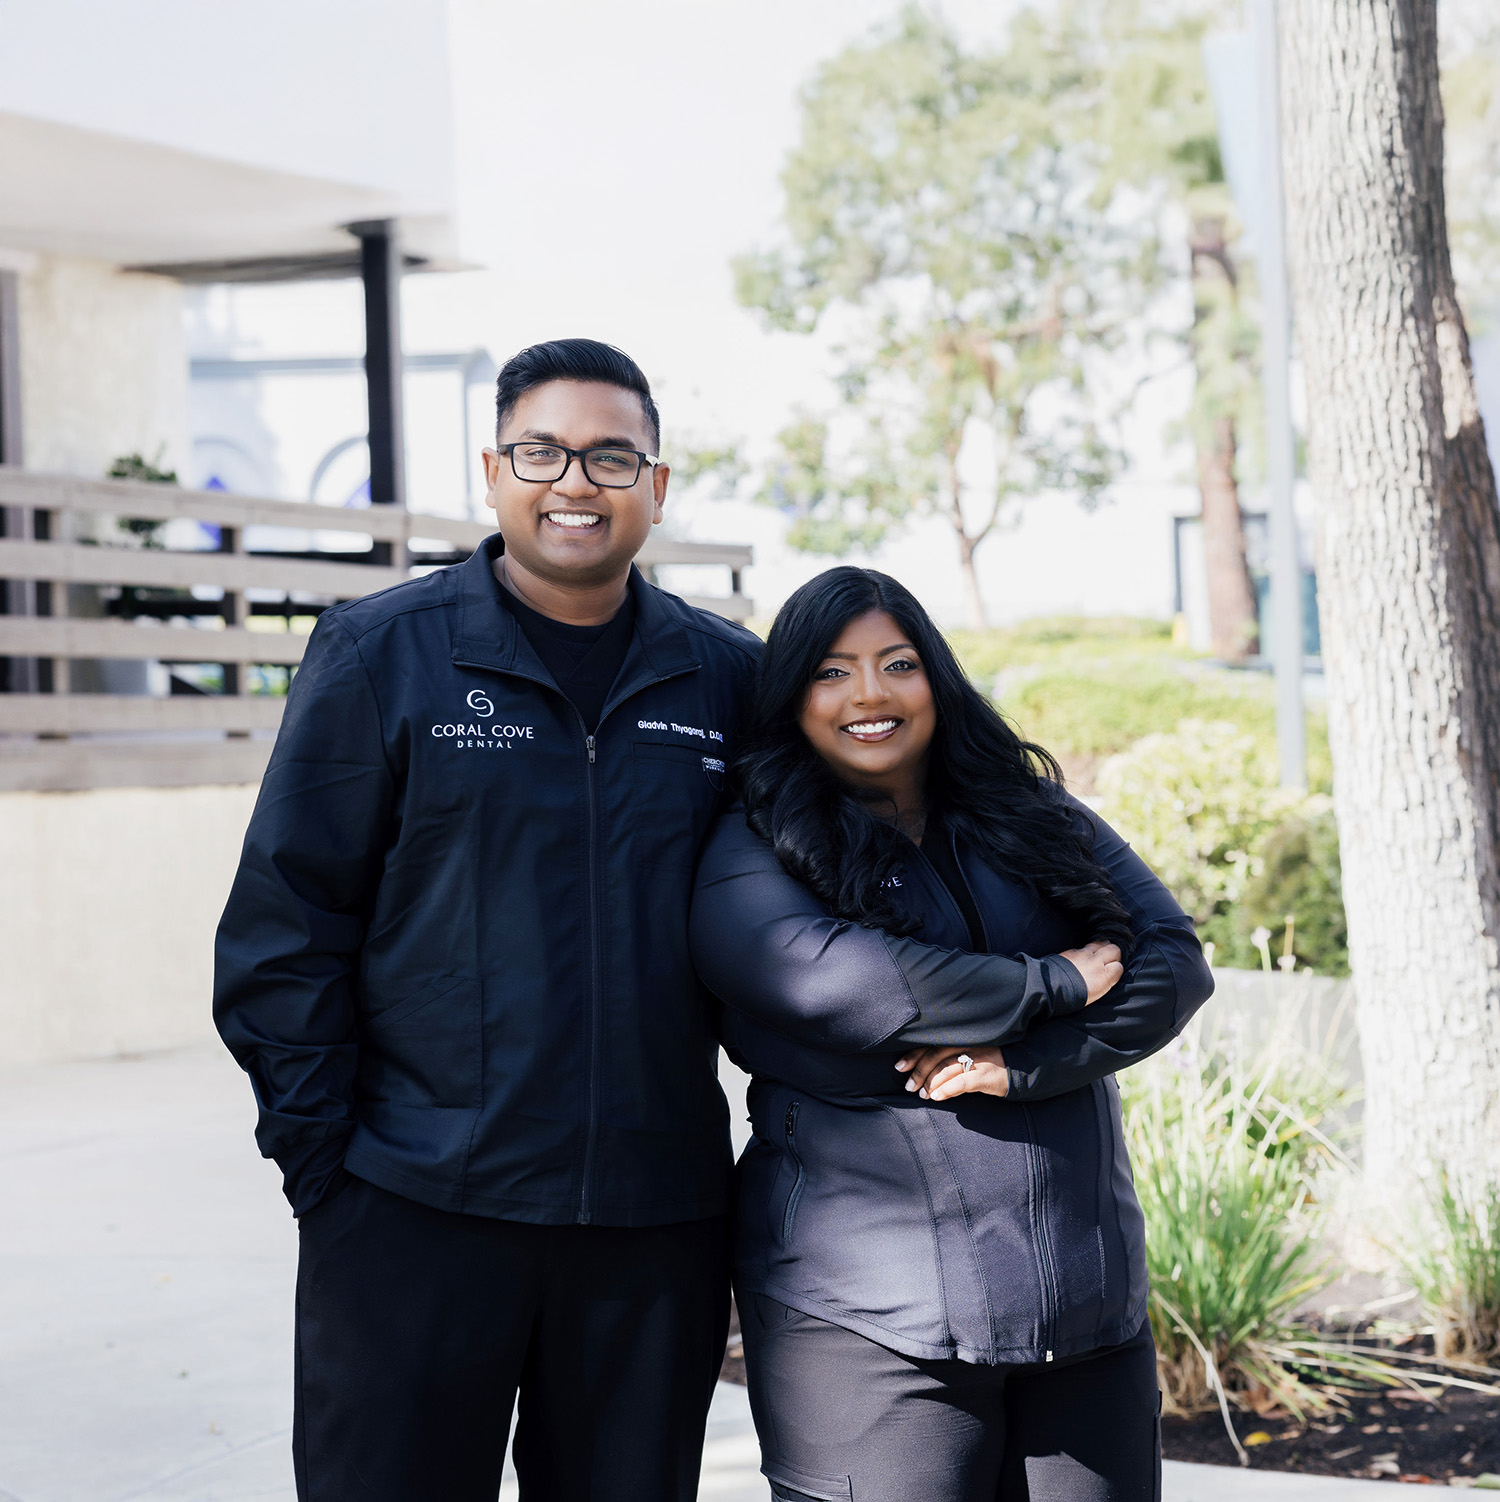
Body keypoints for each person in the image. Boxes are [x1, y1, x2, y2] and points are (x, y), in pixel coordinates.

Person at [213, 339, 764, 1501]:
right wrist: (330, 1174)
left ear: (656, 486)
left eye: (613, 456)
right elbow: (284, 926)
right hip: (414, 1211)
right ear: (492, 472)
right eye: (542, 450)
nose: (576, 480)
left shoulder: (729, 682)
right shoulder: (380, 656)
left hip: (649, 1221)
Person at [690, 566, 1215, 1502]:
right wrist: (1052, 979)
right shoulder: (751, 843)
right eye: (831, 671)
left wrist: (1022, 1066)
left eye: (897, 663)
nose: (870, 695)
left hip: (1088, 1316)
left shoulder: (1030, 816)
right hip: (867, 1327)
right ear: (791, 697)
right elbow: (836, 979)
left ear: (936, 675)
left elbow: (1173, 961)